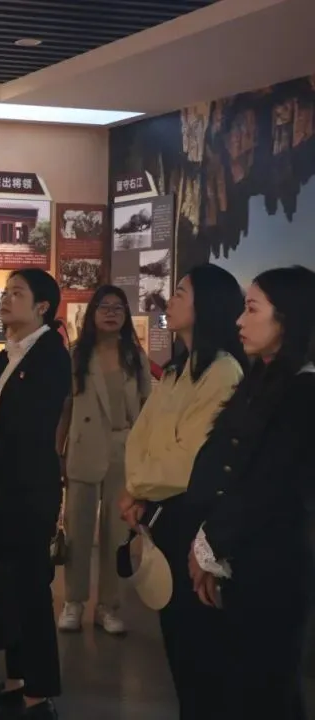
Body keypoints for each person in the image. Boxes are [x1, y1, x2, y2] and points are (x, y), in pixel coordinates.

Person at [185, 266, 315, 719]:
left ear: (287, 318)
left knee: (267, 687)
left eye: (253, 309)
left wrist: (210, 546)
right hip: (241, 558)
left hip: (273, 566)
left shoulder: (303, 392)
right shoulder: (262, 379)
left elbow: (270, 483)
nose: (240, 321)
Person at [118, 263, 246, 719]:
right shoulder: (178, 369)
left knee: (200, 646)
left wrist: (136, 486)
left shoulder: (223, 371)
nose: (169, 300)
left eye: (180, 292)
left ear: (207, 305)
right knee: (178, 641)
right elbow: (142, 436)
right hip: (164, 515)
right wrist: (136, 489)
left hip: (196, 523)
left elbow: (190, 460)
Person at [0, 268, 70, 720]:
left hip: (29, 490)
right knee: (5, 588)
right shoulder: (6, 354)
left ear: (42, 306)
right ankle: (15, 681)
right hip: (2, 485)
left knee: (30, 591)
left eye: (17, 293)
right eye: (5, 292)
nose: (5, 299)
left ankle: (39, 694)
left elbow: (27, 429)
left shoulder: (50, 357)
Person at [56, 286, 151, 636]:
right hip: (83, 447)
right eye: (104, 307)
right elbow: (64, 408)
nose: (111, 313)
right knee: (78, 531)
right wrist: (58, 451)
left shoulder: (135, 357)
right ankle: (74, 601)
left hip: (123, 448)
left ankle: (108, 606)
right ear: (92, 313)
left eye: (118, 308)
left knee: (116, 533)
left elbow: (147, 408)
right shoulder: (76, 355)